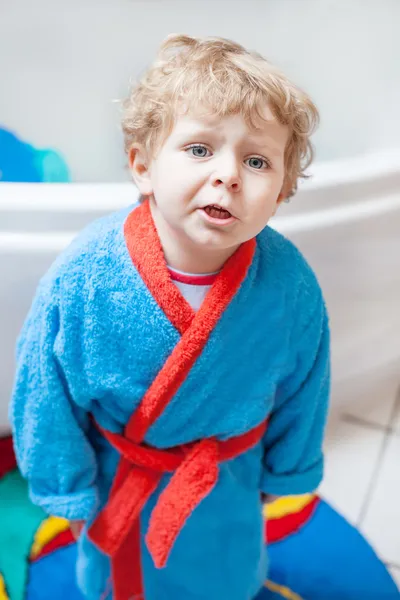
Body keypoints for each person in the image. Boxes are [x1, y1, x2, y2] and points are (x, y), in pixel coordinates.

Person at [10, 34, 330, 600]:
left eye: (256, 160)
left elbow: (307, 384)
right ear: (142, 166)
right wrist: (71, 491)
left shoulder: (288, 282)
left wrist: (286, 469)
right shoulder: (85, 276)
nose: (228, 174)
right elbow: (44, 392)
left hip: (227, 480)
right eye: (200, 149)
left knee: (224, 573)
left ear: (280, 191)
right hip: (122, 480)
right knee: (124, 583)